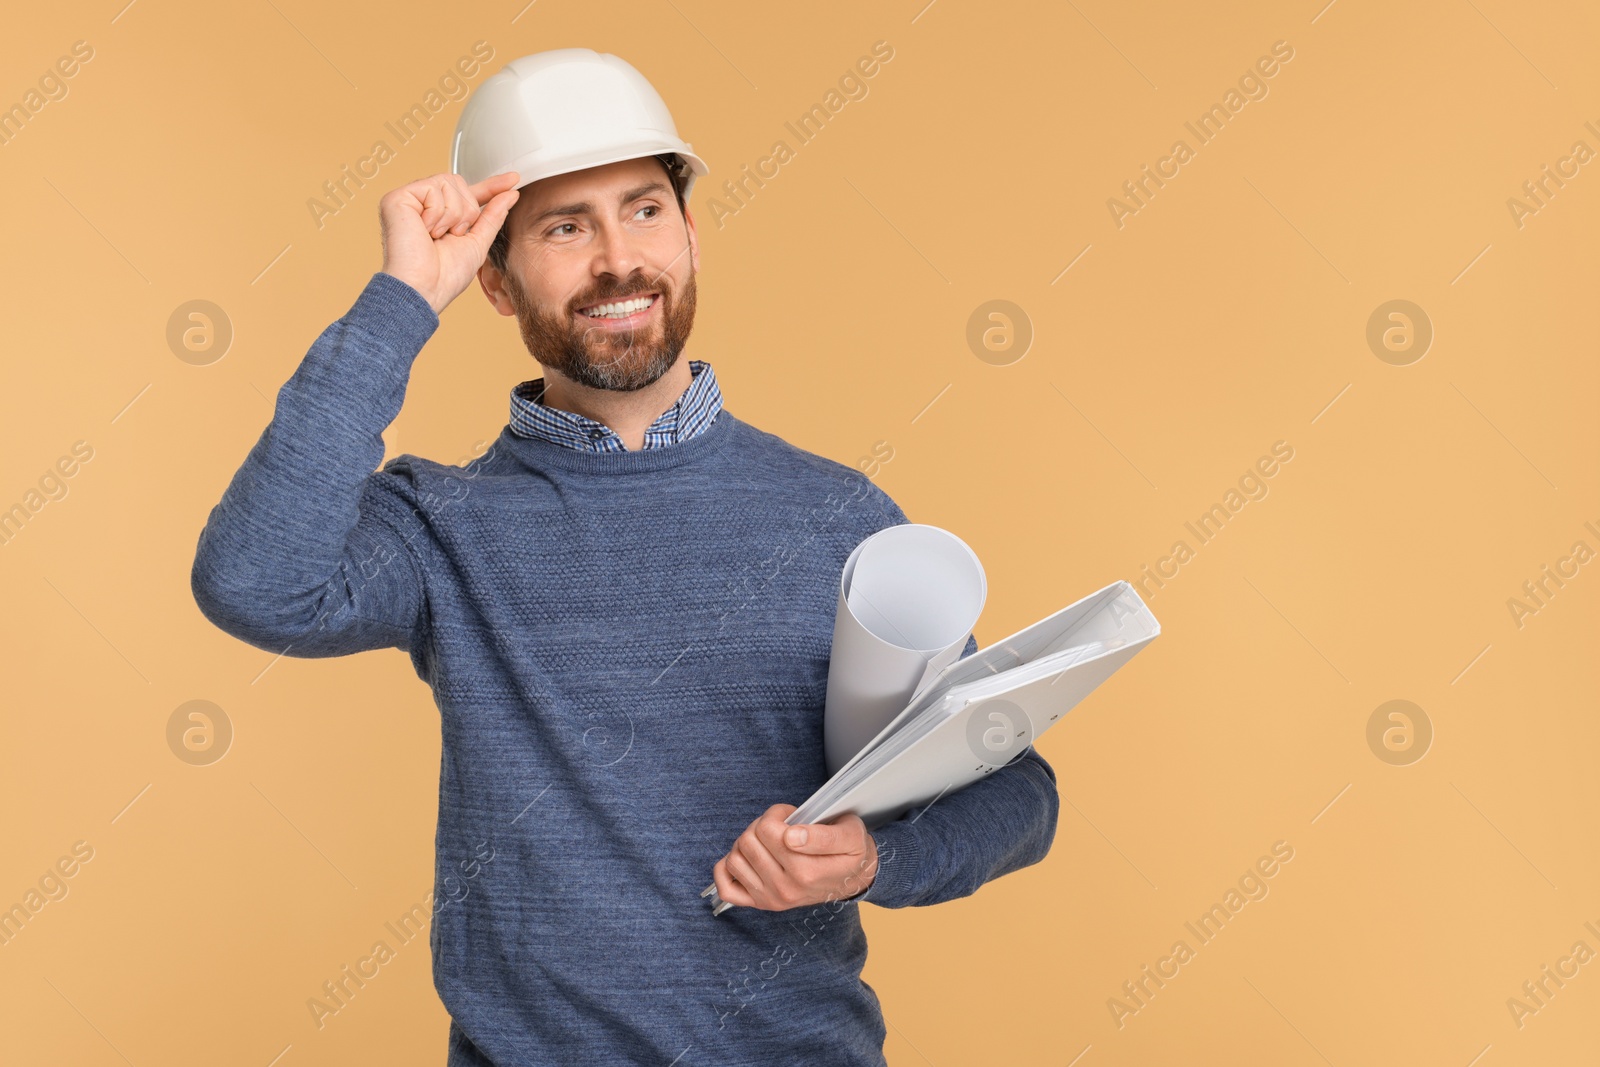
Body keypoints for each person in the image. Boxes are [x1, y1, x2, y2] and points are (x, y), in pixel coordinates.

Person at [190, 47, 1058, 1067]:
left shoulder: (838, 516)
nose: (616, 259)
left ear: (689, 236)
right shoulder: (442, 526)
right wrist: (400, 299)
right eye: (565, 226)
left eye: (644, 210)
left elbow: (1013, 786)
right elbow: (252, 580)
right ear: (497, 283)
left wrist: (873, 856)